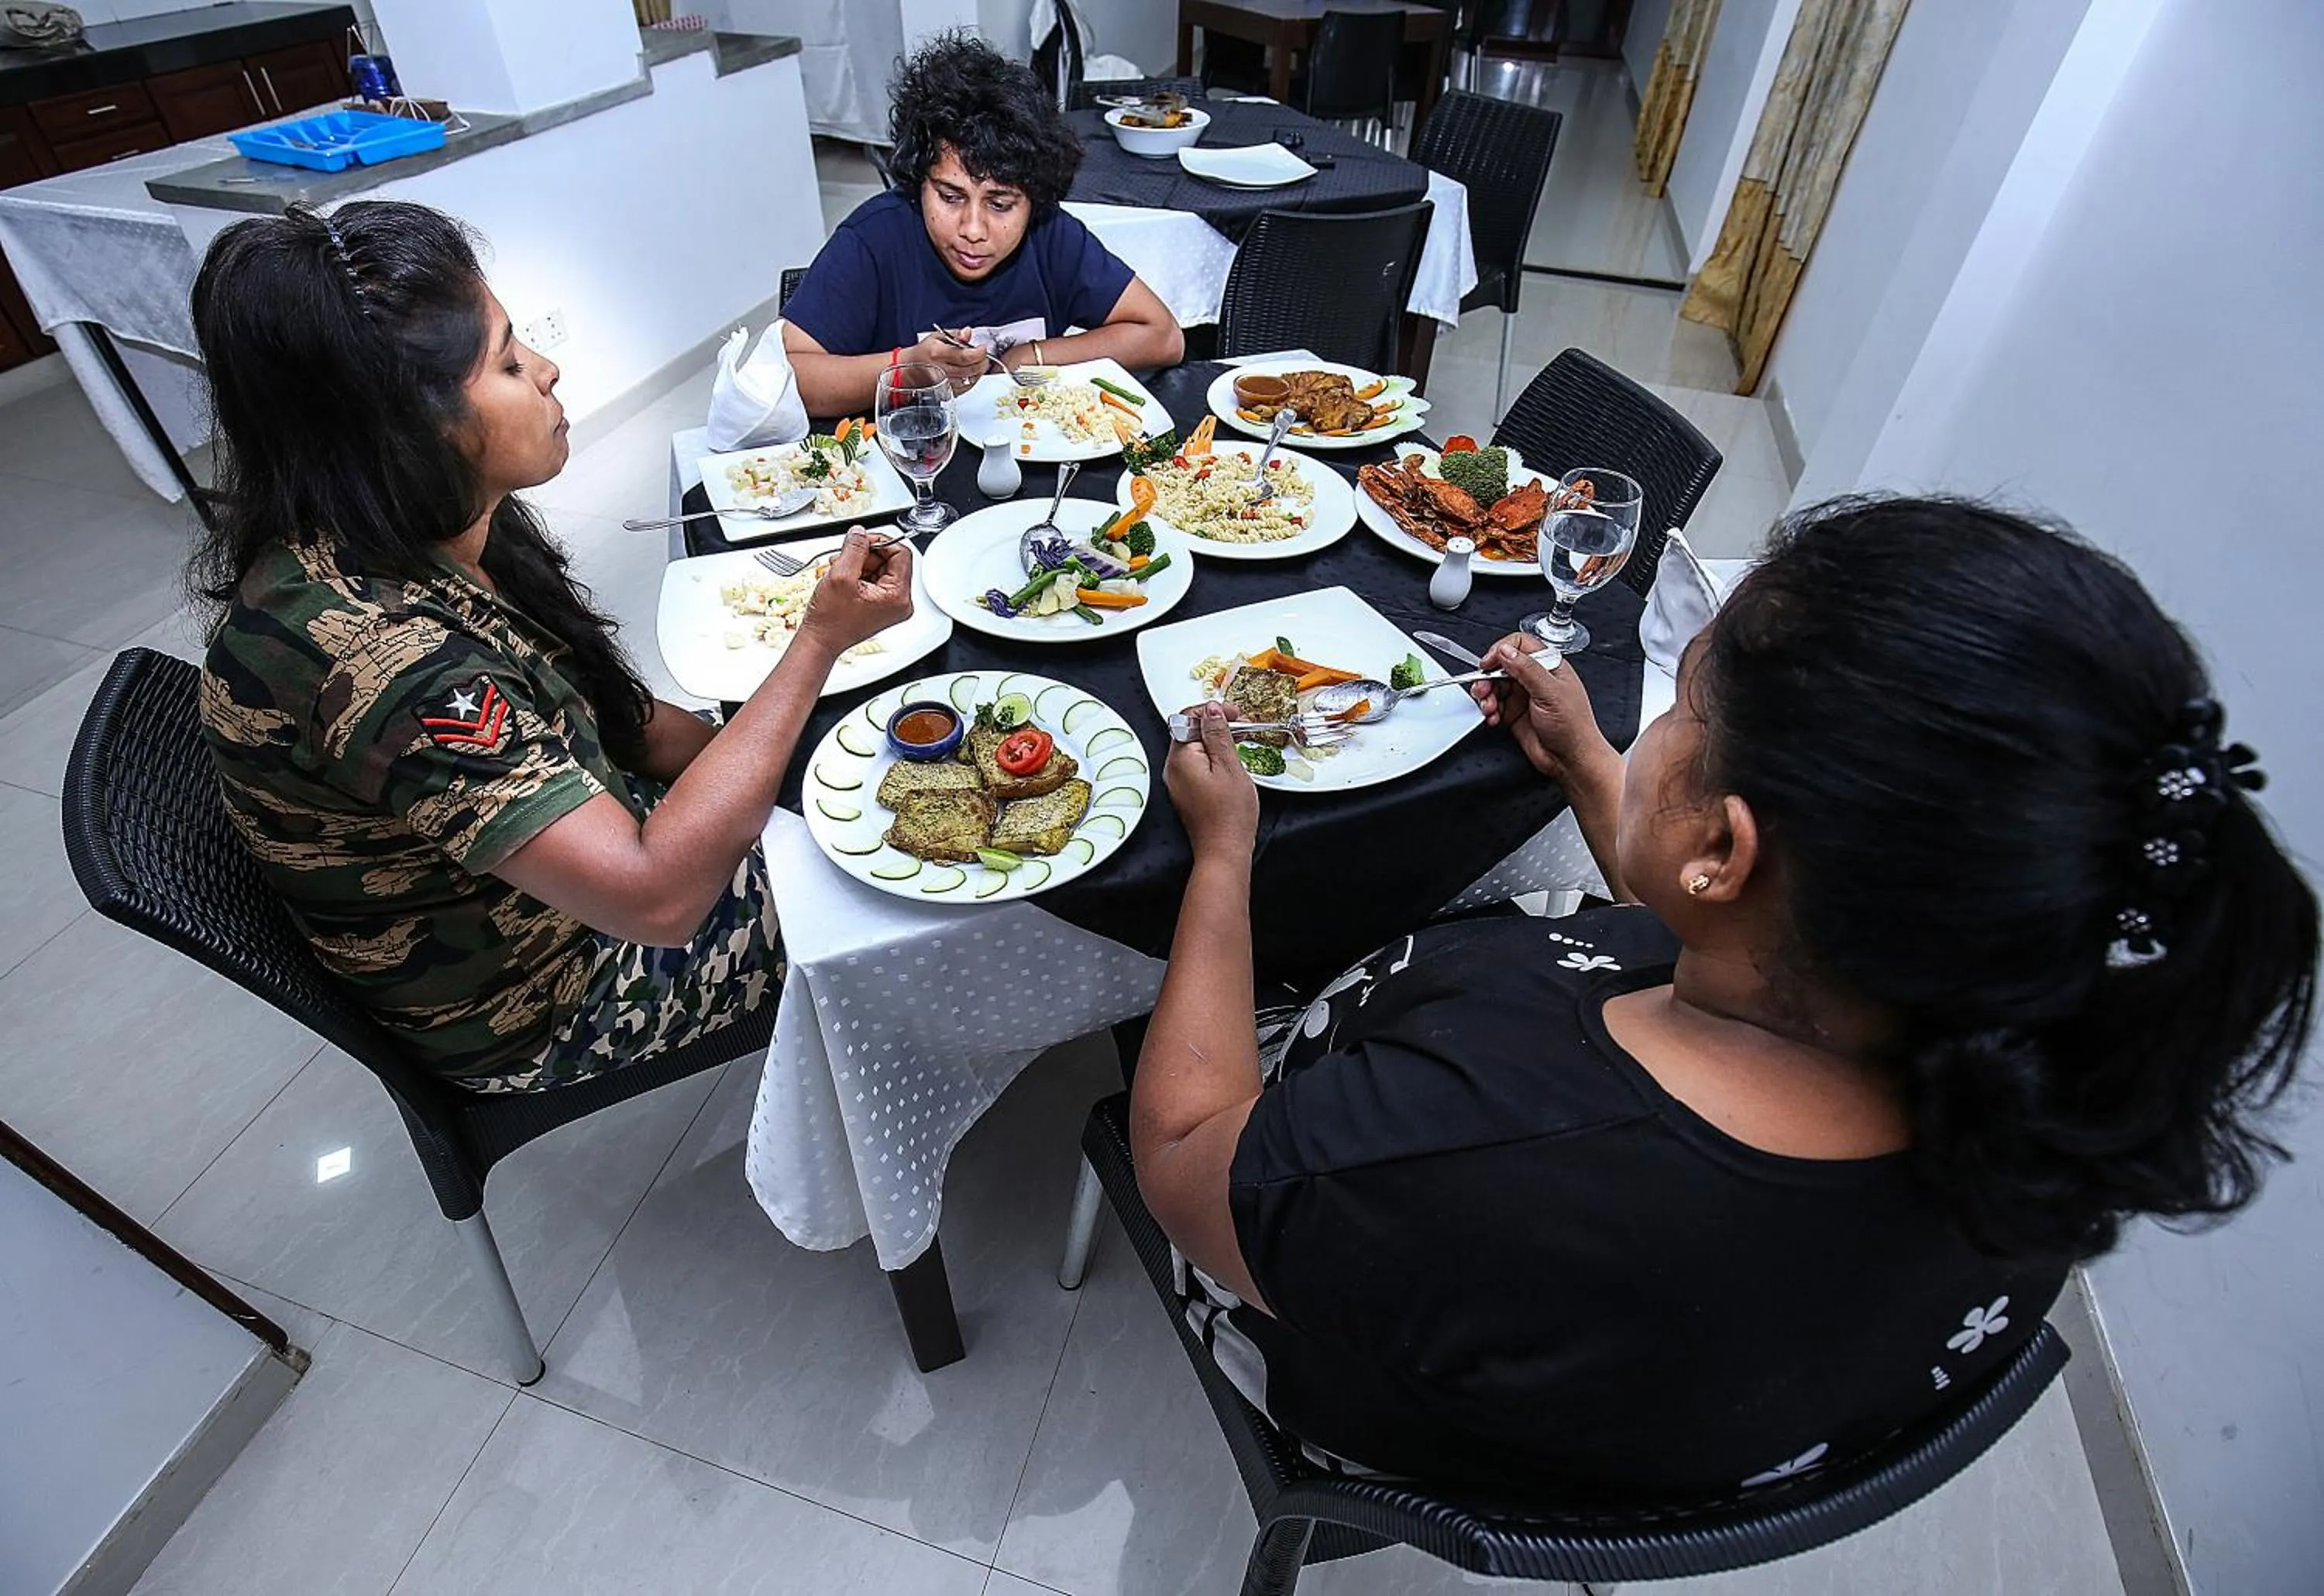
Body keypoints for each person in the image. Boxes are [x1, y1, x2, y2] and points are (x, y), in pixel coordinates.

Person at [1135, 497, 2317, 1497]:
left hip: (1402, 1387)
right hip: (1652, 1401)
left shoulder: (1446, 1156)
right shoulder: (2043, 1080)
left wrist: (1227, 855)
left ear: (1729, 849)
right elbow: (1754, 944)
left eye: (1685, 708)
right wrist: (1606, 777)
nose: (1660, 727)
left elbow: (1182, 1154)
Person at [192, 201, 913, 1092]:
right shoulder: (388, 659)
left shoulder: (430, 518)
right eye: (506, 362)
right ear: (404, 428)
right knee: (889, 874)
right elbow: (659, 899)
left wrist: (794, 761)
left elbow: (618, 717)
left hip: (582, 868)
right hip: (551, 994)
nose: (548, 369)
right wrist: (816, 645)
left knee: (850, 771)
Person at [781, 31, 1183, 414]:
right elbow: (786, 379)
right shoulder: (874, 239)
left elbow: (1163, 336)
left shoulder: (1051, 235)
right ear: (918, 180)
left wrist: (1030, 356)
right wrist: (909, 369)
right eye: (950, 197)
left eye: (1001, 204)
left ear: (1034, 201)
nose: (973, 230)